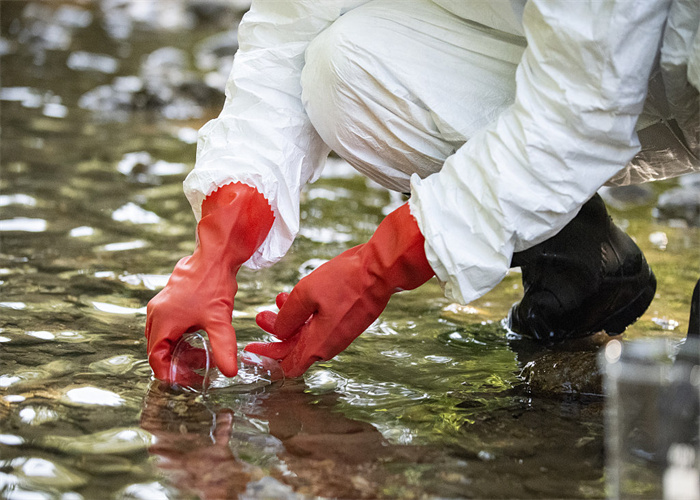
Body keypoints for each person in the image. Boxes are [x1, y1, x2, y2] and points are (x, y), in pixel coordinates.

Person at [145, 0, 700, 381]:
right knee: (340, 66)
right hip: (583, 56)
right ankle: (577, 254)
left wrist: (378, 268)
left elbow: (582, 114)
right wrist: (216, 253)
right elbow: (287, 33)